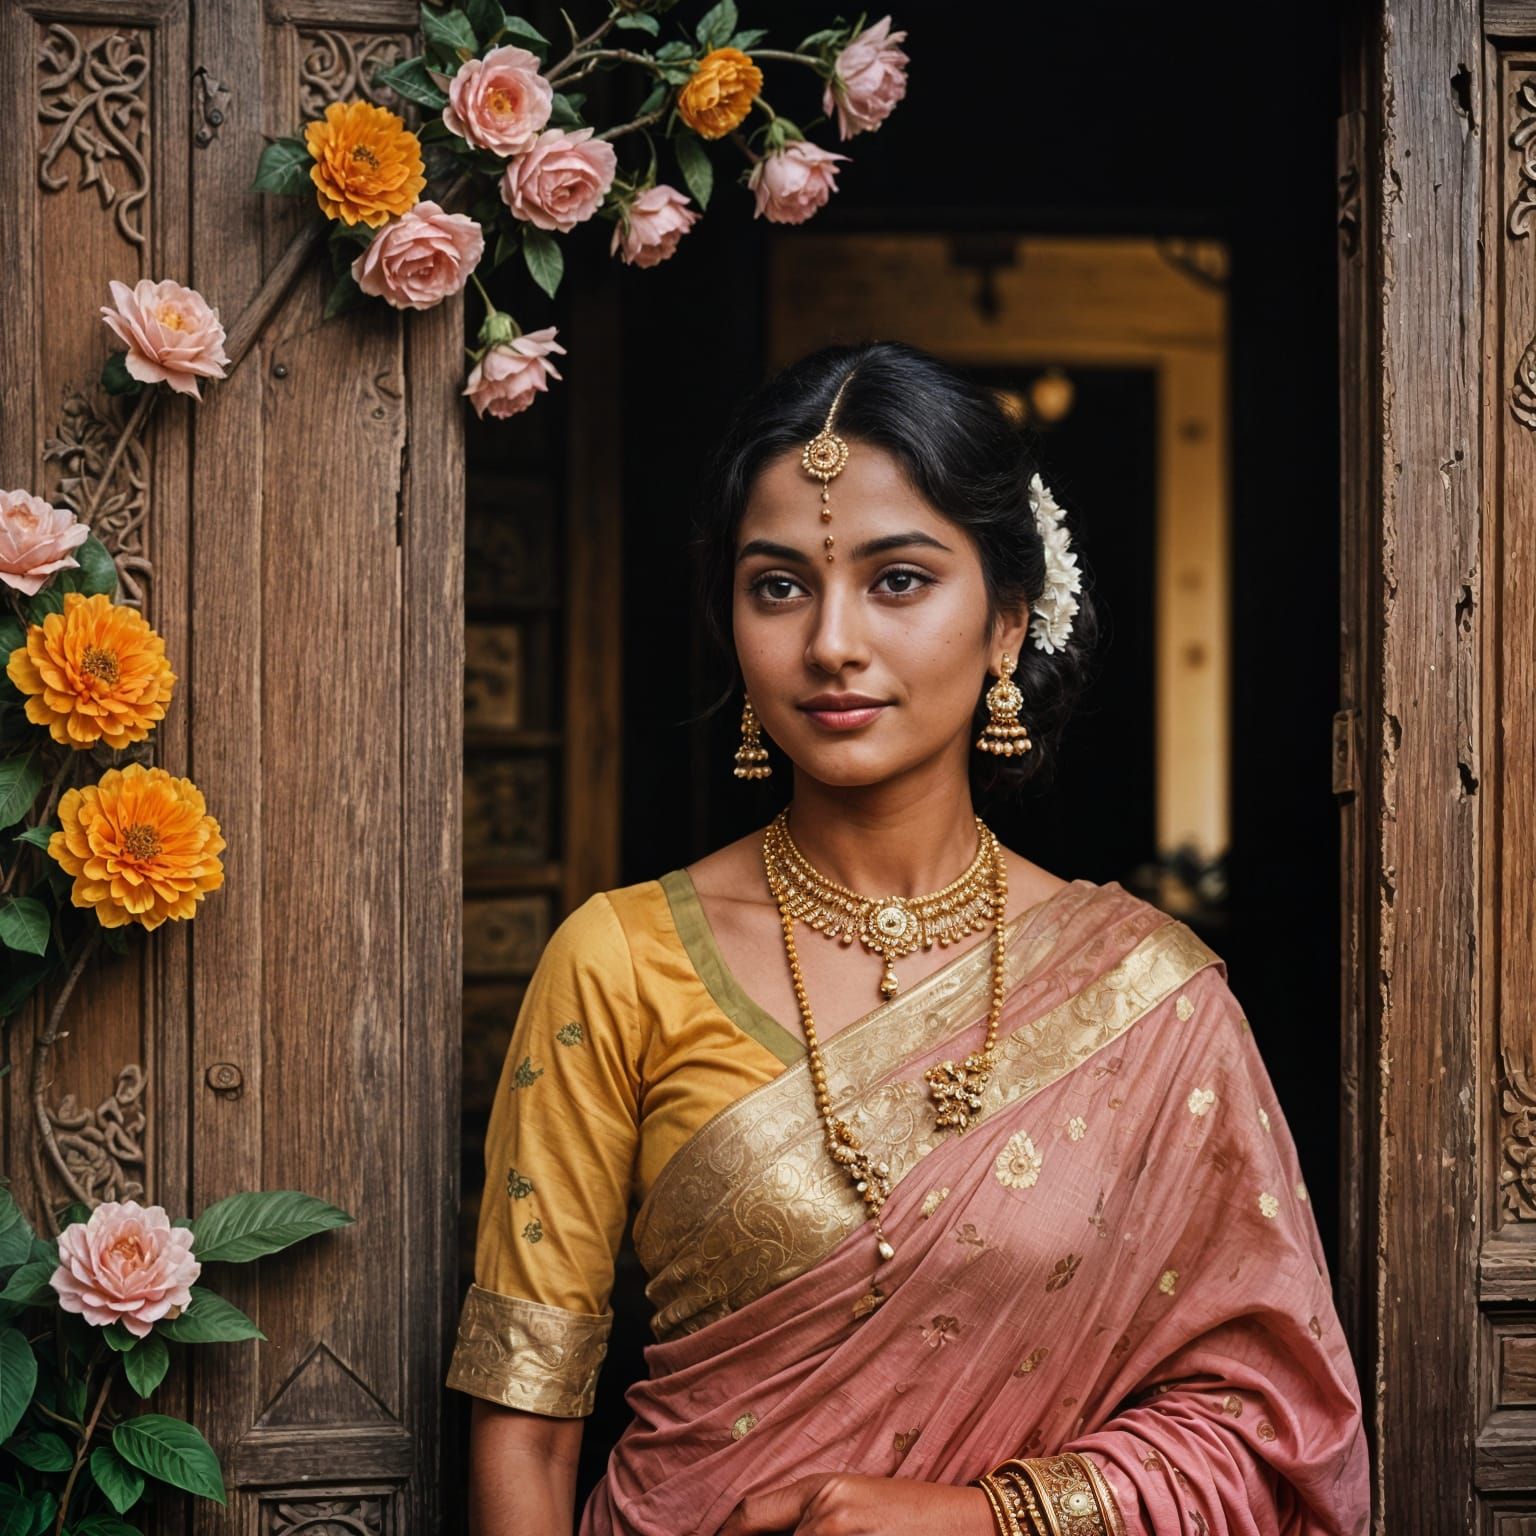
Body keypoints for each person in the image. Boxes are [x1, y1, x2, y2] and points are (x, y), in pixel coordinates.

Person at [446, 341, 1370, 1536]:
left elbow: (1272, 1425)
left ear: (1007, 624)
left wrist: (982, 1520)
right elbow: (524, 1426)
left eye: (898, 581)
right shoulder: (620, 958)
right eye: (778, 585)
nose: (831, 641)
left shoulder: (1151, 996)